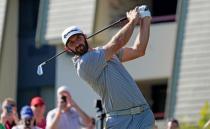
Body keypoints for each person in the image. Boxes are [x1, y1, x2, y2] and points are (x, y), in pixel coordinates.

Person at [61, 5, 154, 129]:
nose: (77, 43)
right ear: (67, 49)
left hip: (143, 115)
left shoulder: (104, 52)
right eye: (71, 43)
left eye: (78, 38)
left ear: (84, 36)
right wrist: (132, 21)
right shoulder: (84, 63)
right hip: (119, 121)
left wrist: (146, 18)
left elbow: (138, 50)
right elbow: (118, 41)